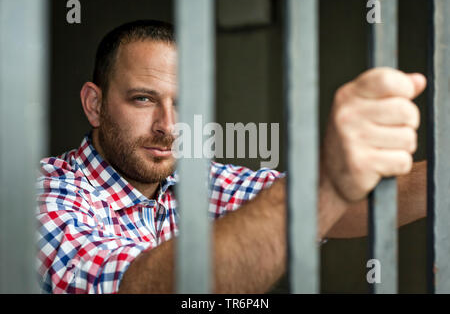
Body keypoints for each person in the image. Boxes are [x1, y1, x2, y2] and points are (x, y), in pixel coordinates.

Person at [36, 20, 427, 294]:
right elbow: (132, 287)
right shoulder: (45, 193)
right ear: (94, 104)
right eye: (143, 99)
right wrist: (326, 176)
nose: (168, 126)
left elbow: (338, 206)